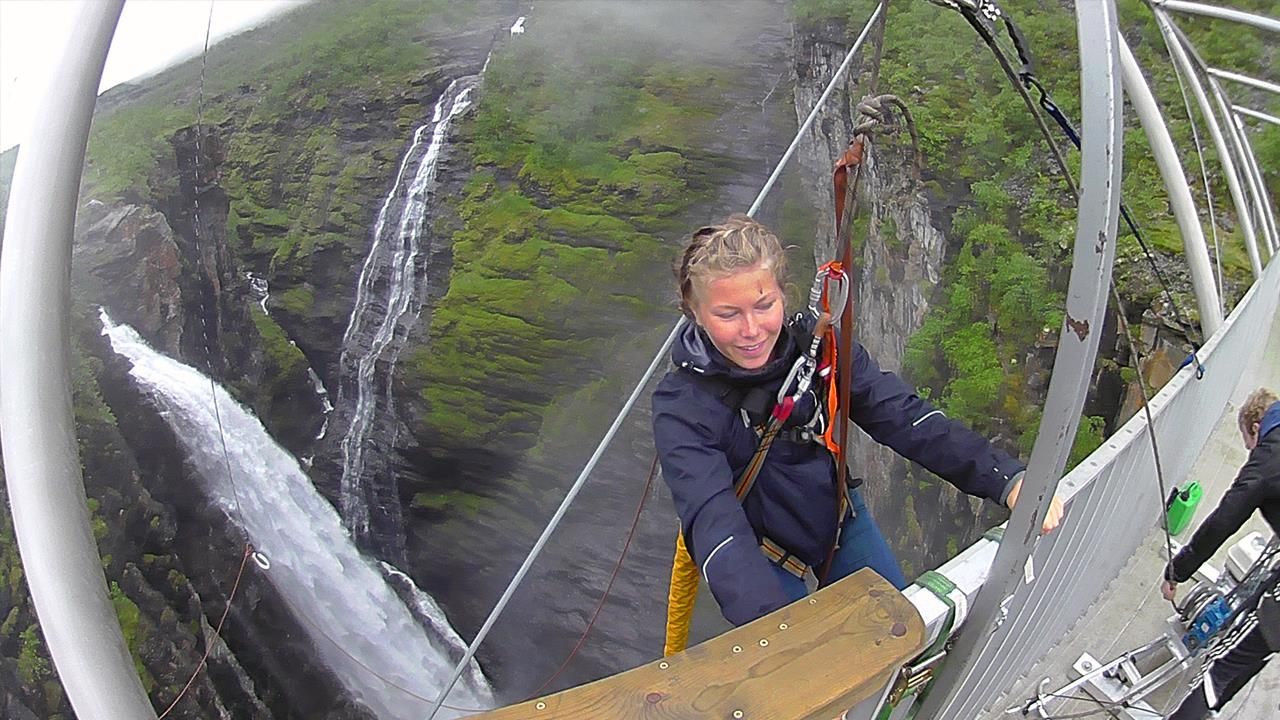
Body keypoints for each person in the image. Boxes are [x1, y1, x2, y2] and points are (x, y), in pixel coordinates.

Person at [652, 215, 1063, 626]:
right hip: (761, 556)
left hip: (838, 519)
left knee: (899, 639)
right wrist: (771, 630)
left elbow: (902, 415)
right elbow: (712, 518)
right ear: (695, 312)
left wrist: (1005, 478)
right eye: (728, 314)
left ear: (783, 295)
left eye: (764, 305)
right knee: (809, 675)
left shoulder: (818, 351)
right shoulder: (684, 407)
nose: (752, 330)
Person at [1162, 387, 1280, 720]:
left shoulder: (1268, 457)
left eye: (1248, 444)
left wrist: (1176, 571)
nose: (1249, 453)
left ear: (1255, 427)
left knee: (1224, 662)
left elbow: (1223, 521)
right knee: (1253, 650)